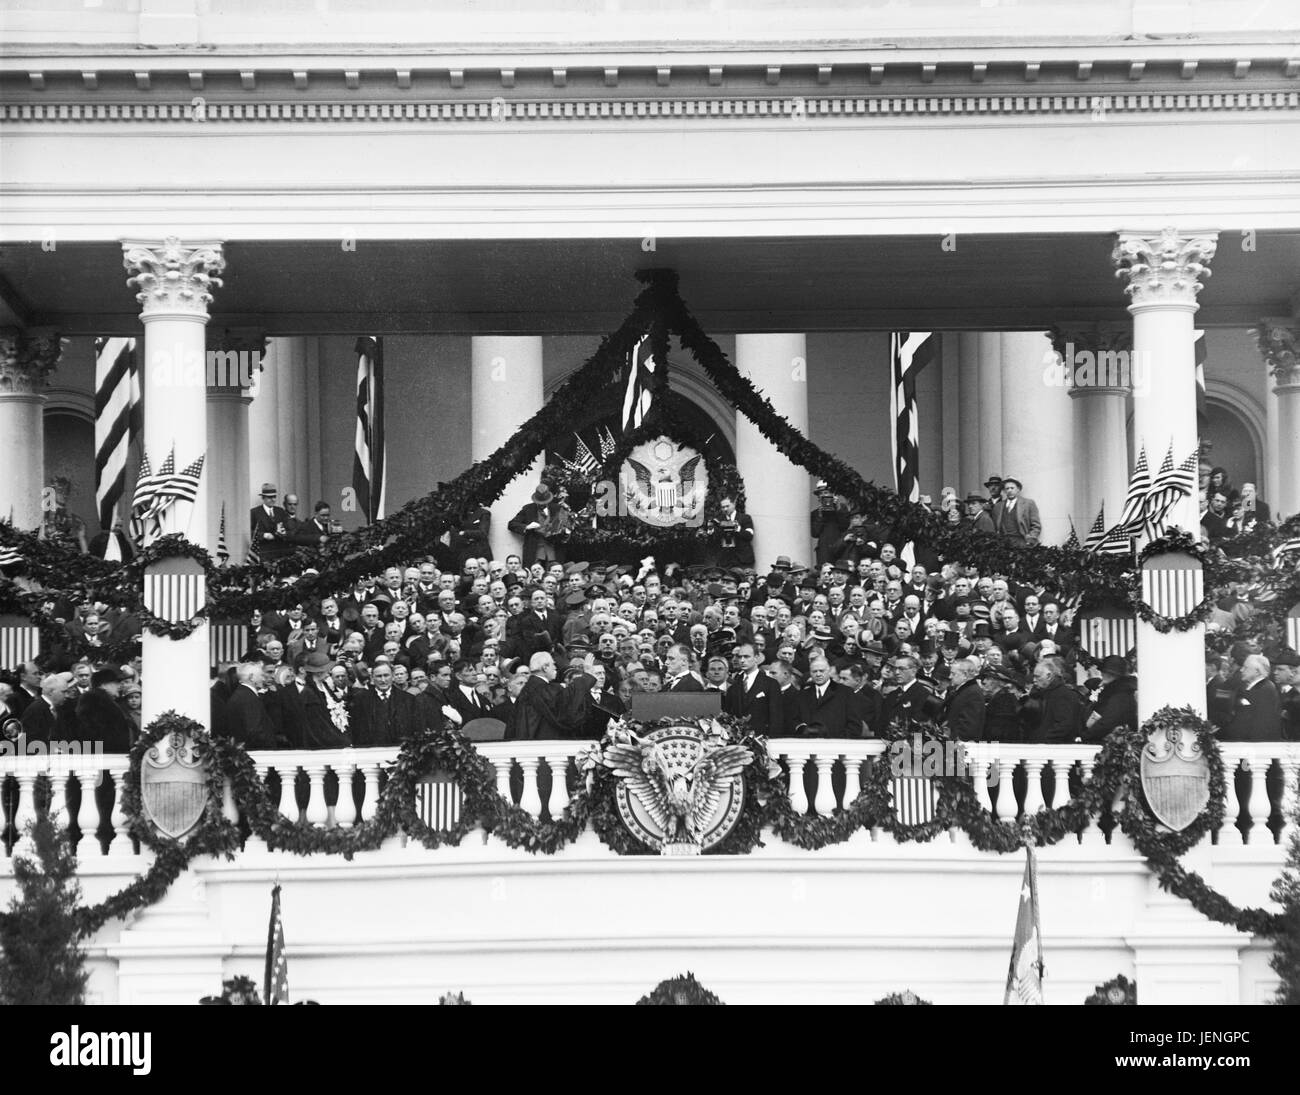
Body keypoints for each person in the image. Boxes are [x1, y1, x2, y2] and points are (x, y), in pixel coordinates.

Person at [510, 651, 597, 740]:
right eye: (553, 664)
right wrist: (587, 676)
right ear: (545, 667)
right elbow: (566, 703)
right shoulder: (540, 688)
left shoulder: (531, 687)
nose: (555, 667)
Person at [794, 655, 863, 738]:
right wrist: (803, 729)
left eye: (821, 671)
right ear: (810, 673)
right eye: (814, 671)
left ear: (829, 671)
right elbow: (795, 721)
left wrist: (837, 741)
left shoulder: (846, 693)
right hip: (809, 746)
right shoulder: (802, 695)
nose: (818, 674)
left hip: (837, 746)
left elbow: (854, 725)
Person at [723, 642, 780, 735]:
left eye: (746, 657)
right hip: (739, 741)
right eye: (740, 657)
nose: (742, 660)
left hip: (763, 739)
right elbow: (728, 717)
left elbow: (776, 718)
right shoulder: (733, 688)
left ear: (756, 658)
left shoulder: (771, 684)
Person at [222, 662, 282, 749]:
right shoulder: (248, 698)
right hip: (256, 754)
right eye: (261, 675)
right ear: (251, 677)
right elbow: (255, 731)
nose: (263, 679)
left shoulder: (242, 694)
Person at [74, 667, 133, 753]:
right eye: (116, 682)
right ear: (104, 684)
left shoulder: (108, 702)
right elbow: (95, 733)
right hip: (104, 756)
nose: (120, 686)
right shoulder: (95, 702)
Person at [508, 484, 570, 566]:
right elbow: (512, 524)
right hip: (534, 550)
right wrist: (526, 527)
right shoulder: (528, 509)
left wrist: (565, 531)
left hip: (553, 550)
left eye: (545, 502)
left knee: (554, 573)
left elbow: (564, 526)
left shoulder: (557, 509)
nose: (542, 504)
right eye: (540, 502)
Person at [1224, 654, 1281, 741]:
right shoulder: (1247, 688)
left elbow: (1262, 723)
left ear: (1257, 672)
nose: (1241, 670)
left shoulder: (1266, 689)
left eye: (1245, 668)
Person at [1082, 655, 1137, 743]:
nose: (1101, 674)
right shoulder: (1115, 691)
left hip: (1112, 743)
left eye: (1103, 672)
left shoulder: (1120, 694)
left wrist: (1085, 736)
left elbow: (1108, 722)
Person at [941, 657, 985, 742]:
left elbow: (969, 725)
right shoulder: (963, 690)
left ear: (965, 675)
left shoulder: (973, 693)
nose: (950, 676)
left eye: (953, 674)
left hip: (961, 745)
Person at [989, 477, 1042, 546]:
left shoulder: (1028, 503)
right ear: (1004, 491)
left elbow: (1036, 525)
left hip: (1022, 543)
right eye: (1007, 488)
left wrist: (1030, 540)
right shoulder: (998, 506)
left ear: (1018, 489)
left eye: (1012, 488)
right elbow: (994, 526)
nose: (1009, 490)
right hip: (1003, 544)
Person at [249, 483, 293, 561]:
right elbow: (248, 532)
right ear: (263, 498)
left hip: (280, 554)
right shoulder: (254, 512)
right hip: (263, 555)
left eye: (274, 497)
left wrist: (284, 533)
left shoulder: (280, 511)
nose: (273, 499)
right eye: (269, 497)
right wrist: (263, 535)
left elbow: (290, 530)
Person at [712, 495, 755, 568]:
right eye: (723, 507)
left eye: (727, 506)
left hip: (743, 560)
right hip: (725, 561)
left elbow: (749, 536)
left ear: (734, 504)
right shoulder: (718, 520)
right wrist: (711, 530)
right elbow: (714, 540)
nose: (725, 509)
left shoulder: (745, 518)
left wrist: (737, 528)